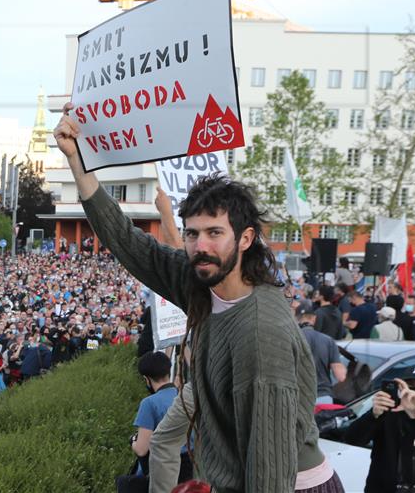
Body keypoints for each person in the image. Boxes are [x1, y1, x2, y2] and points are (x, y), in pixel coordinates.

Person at [53, 106, 341, 493]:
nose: (200, 246)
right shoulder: (202, 283)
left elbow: (269, 468)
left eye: (214, 233)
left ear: (245, 238)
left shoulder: (260, 331)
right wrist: (78, 161)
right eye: (192, 234)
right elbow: (130, 243)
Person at [345, 363, 415, 493]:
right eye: (407, 387)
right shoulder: (386, 412)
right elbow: (352, 439)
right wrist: (373, 415)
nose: (411, 394)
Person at [116, 352, 192, 493]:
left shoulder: (149, 403)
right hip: (190, 468)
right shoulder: (185, 397)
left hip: (164, 472)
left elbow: (142, 449)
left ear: (146, 379)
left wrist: (133, 440)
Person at [298, 311, 347, 405]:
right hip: (323, 396)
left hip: (298, 397)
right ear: (314, 319)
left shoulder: (291, 339)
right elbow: (340, 376)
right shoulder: (328, 340)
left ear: (299, 320)